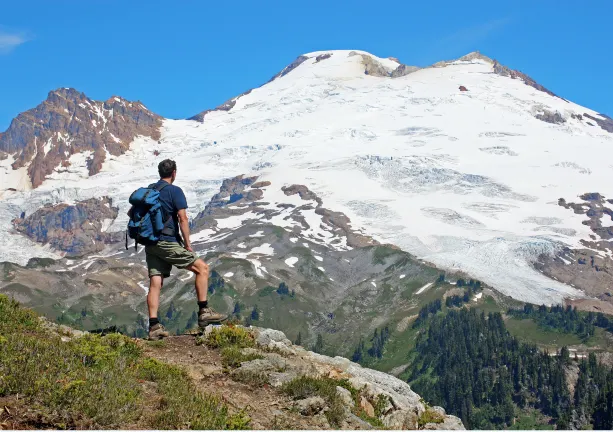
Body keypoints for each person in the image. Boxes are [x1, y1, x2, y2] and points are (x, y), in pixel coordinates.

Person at [131, 159, 226, 340]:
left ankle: (154, 327)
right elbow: (182, 218)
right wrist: (188, 244)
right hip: (167, 241)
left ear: (160, 172)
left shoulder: (149, 190)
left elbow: (132, 213)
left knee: (155, 283)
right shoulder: (175, 191)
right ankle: (204, 311)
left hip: (150, 243)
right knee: (202, 268)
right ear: (174, 173)